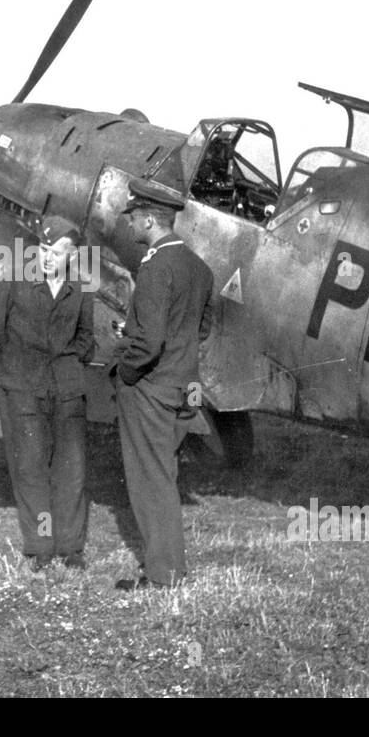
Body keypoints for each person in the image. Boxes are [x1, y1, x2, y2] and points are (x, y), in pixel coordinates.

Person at [0, 217, 94, 571]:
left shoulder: (81, 288)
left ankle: (71, 547)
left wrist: (68, 364)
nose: (46, 258)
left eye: (56, 252)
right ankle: (41, 546)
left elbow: (86, 338)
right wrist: (10, 373)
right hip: (22, 391)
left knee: (71, 470)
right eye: (43, 249)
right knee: (31, 469)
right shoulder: (16, 281)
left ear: (72, 255)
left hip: (67, 390)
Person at [112, 178, 214, 591]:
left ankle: (163, 574)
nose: (130, 226)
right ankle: (167, 567)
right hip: (182, 385)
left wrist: (127, 370)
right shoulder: (198, 266)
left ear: (150, 219)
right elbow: (201, 329)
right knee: (163, 476)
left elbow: (149, 341)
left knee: (150, 481)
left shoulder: (155, 267)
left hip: (150, 389)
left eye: (133, 218)